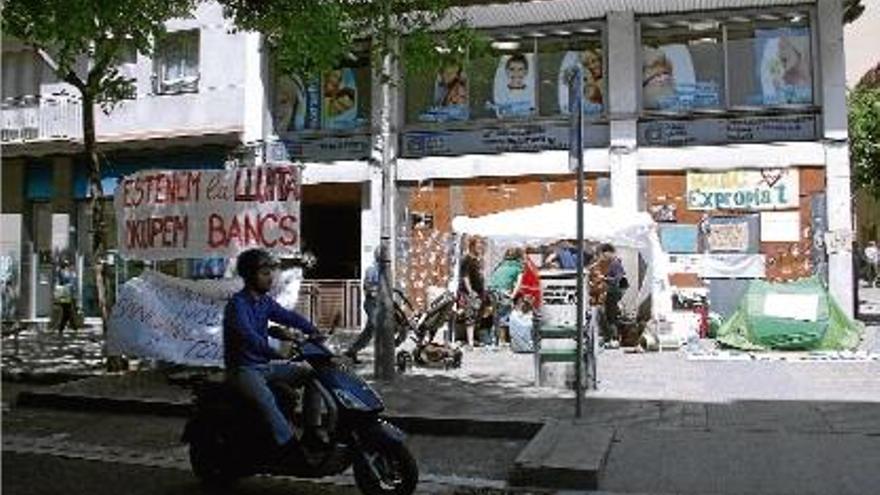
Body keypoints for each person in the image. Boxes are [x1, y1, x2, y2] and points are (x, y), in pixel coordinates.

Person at [223, 248, 324, 460]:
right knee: (266, 399)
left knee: (314, 377)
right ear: (250, 275)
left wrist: (312, 330)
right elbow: (249, 337)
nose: (270, 278)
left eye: (271, 272)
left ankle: (312, 431)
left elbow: (287, 317)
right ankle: (287, 446)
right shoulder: (237, 305)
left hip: (264, 366)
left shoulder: (265, 302)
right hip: (243, 369)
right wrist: (274, 353)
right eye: (264, 273)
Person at [344, 247, 381, 364]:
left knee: (369, 330)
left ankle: (352, 350)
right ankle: (383, 355)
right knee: (376, 325)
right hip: (372, 303)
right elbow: (367, 287)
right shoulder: (372, 270)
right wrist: (378, 290)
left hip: (381, 303)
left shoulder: (385, 270)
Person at [488, 248, 525, 346]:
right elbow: (518, 283)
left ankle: (494, 340)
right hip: (503, 291)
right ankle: (502, 341)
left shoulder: (502, 264)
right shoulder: (518, 266)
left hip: (491, 290)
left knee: (496, 316)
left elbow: (493, 277)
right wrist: (513, 296)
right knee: (504, 316)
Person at [457, 236, 486, 348]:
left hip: (479, 292)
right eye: (478, 245)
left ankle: (473, 339)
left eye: (481, 245)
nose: (480, 247)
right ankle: (470, 342)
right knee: (470, 315)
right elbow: (465, 277)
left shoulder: (477, 259)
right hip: (470, 292)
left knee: (477, 315)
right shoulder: (467, 259)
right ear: (472, 246)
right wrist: (470, 292)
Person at [53, 259, 77, 335]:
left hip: (69, 294)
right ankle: (72, 327)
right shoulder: (61, 272)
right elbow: (60, 282)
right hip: (64, 294)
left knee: (67, 311)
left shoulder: (70, 272)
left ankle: (66, 327)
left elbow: (73, 282)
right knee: (67, 311)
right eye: (65, 265)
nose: (67, 266)